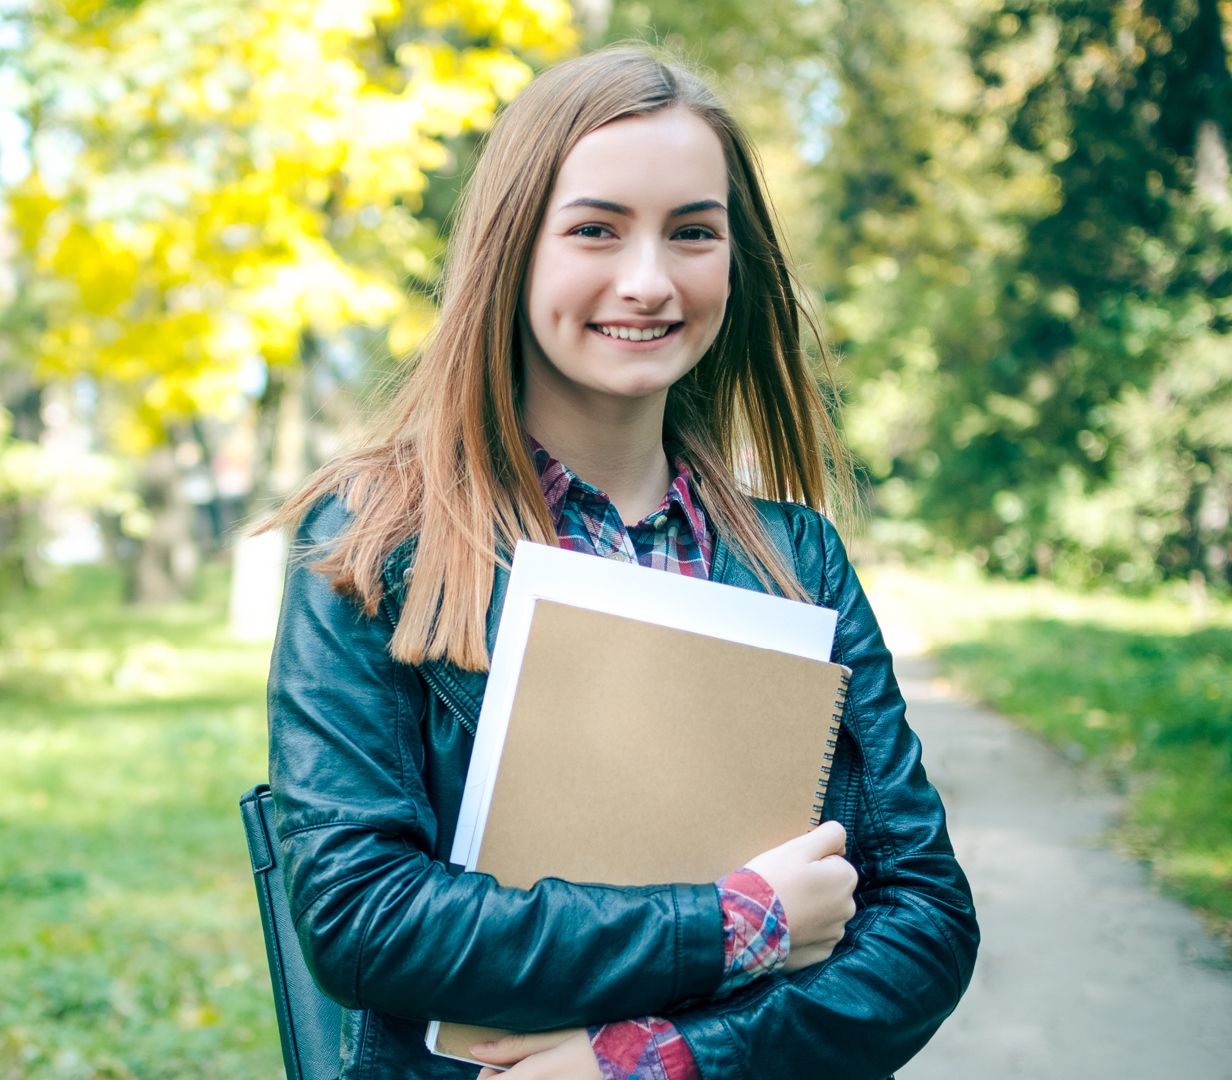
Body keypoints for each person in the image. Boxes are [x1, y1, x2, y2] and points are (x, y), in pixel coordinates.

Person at [261, 45, 978, 1079]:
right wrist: (736, 923)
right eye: (595, 229)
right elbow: (361, 916)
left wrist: (648, 1060)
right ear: (515, 250)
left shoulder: (796, 558)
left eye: (693, 232)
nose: (648, 281)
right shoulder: (376, 541)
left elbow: (926, 922)